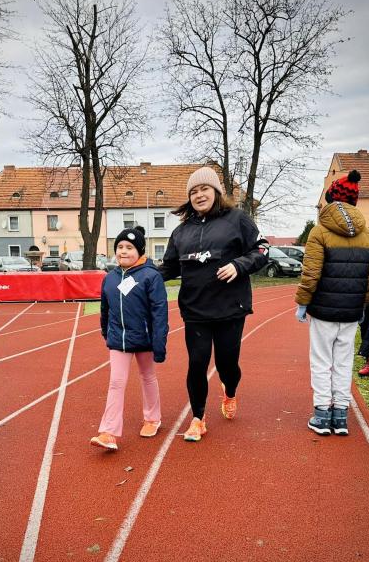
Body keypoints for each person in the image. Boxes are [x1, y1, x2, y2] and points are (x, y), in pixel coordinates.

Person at [158, 166, 269, 442]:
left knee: (227, 364)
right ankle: (198, 418)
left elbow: (262, 249)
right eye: (193, 192)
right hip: (196, 310)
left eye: (204, 189)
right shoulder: (181, 232)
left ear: (216, 191)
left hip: (231, 308)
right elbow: (169, 268)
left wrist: (239, 265)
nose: (199, 195)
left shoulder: (237, 220)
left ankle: (229, 391)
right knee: (197, 363)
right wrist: (139, 276)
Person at [295, 170, 369, 435]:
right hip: (352, 312)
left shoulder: (319, 232)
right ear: (354, 202)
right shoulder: (368, 235)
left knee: (321, 361)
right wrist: (362, 306)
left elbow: (311, 274)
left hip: (323, 311)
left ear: (330, 199)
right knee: (343, 361)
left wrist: (303, 303)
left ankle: (321, 415)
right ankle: (341, 416)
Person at [90, 226, 168, 451]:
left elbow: (159, 312)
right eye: (120, 247)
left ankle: (153, 418)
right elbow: (105, 308)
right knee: (116, 383)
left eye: (129, 247)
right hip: (118, 339)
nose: (123, 251)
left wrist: (159, 342)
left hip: (144, 338)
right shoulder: (110, 278)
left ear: (140, 250)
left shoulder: (151, 276)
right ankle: (109, 433)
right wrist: (105, 330)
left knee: (147, 377)